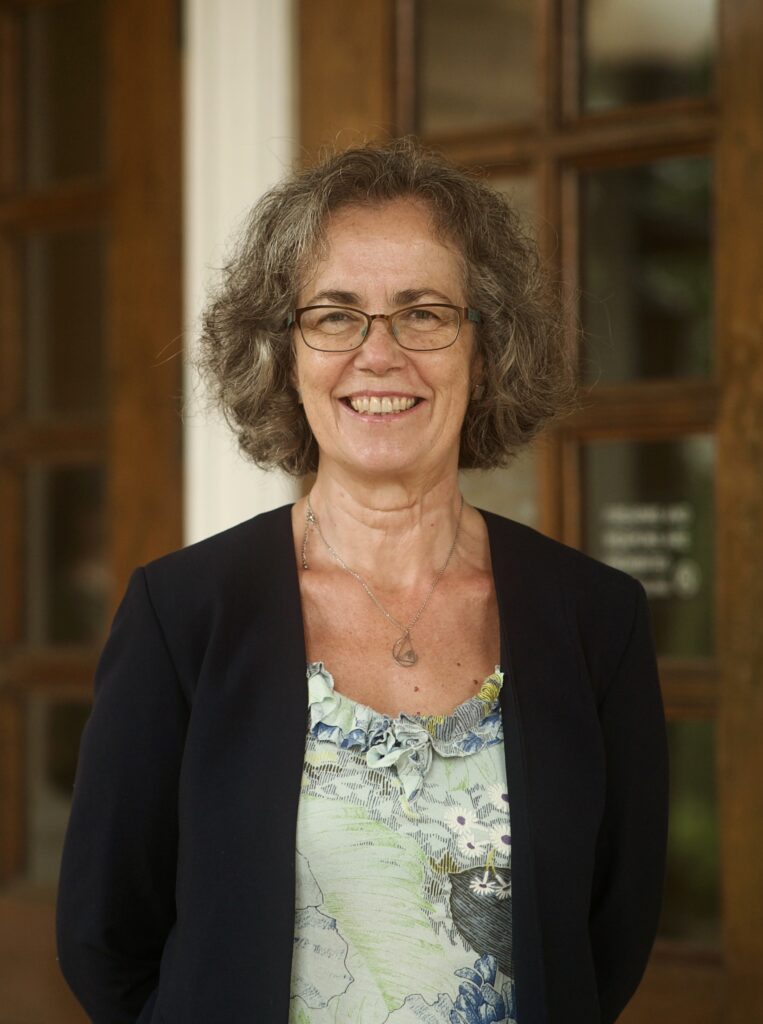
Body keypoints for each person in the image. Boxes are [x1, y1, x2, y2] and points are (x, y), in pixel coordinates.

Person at [57, 138, 668, 1024]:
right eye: (335, 315)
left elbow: (605, 940)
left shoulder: (593, 619)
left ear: (485, 348)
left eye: (423, 312)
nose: (378, 355)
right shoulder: (181, 613)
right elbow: (105, 941)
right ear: (285, 354)